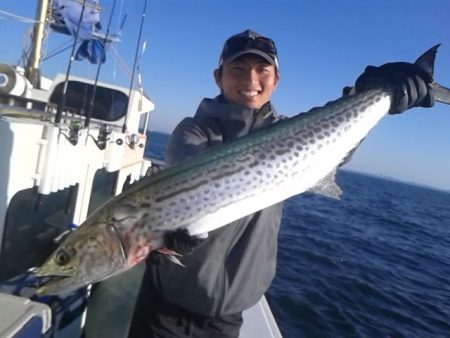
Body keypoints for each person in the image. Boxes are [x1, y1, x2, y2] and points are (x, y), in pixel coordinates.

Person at [128, 29, 433, 338]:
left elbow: (331, 145)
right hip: (168, 304)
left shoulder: (293, 132)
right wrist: (182, 229)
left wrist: (370, 93)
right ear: (218, 77)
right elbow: (185, 165)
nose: (251, 79)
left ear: (276, 81)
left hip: (230, 314)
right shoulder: (193, 132)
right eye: (237, 69)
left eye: (262, 70)